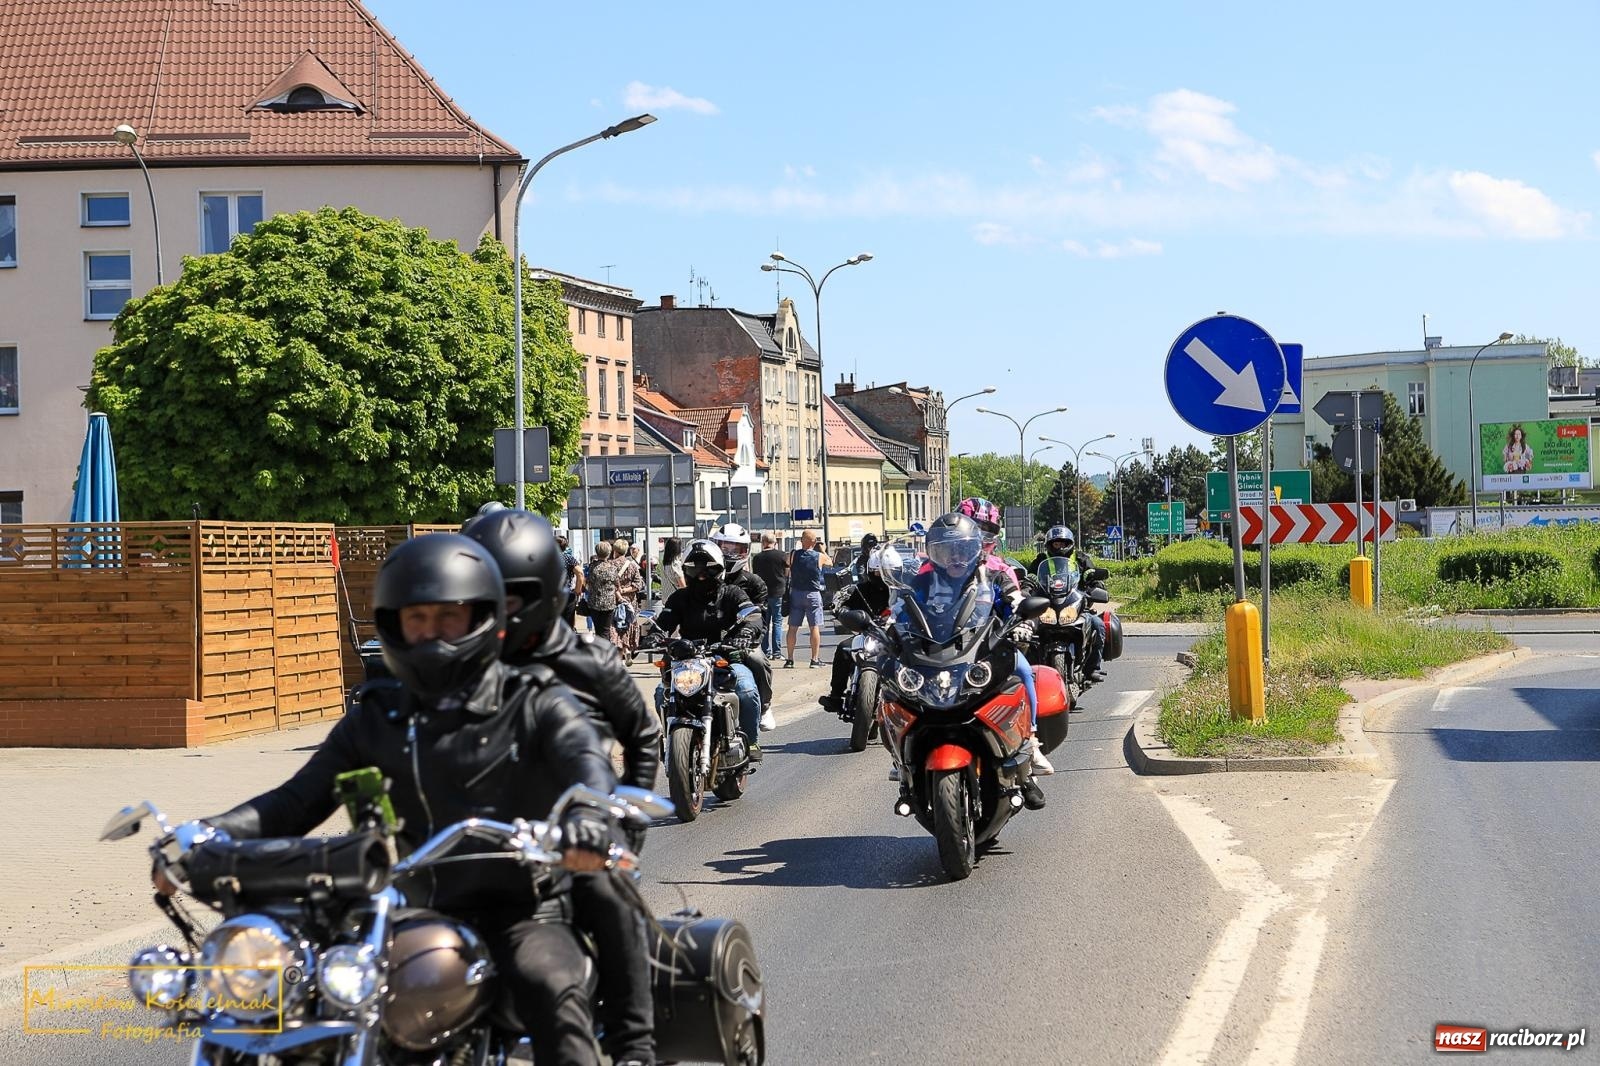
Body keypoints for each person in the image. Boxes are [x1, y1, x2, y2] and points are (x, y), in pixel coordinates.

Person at [193, 534, 621, 1066]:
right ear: (393, 625)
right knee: (296, 1003)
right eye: (416, 620)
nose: (431, 635)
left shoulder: (535, 703)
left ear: (484, 619)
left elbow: (589, 767)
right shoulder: (376, 717)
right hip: (405, 911)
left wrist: (587, 818)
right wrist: (206, 833)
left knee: (550, 989)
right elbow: (292, 802)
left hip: (523, 908)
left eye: (448, 618)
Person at [464, 510, 661, 1066]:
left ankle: (633, 1046)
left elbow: (643, 737)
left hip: (576, 828)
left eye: (509, 596)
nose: (496, 610)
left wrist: (624, 823)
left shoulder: (589, 659)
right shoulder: (468, 660)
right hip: (487, 829)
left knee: (605, 893)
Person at [956, 497, 1052, 777]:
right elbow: (914, 597)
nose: (979, 536)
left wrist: (1024, 621)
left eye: (986, 530)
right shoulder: (936, 567)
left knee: (1022, 670)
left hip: (988, 644)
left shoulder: (999, 569)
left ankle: (1031, 741)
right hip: (943, 646)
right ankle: (903, 751)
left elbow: (1015, 598)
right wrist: (896, 621)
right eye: (973, 528)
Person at [652, 540, 766, 761]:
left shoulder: (732, 594)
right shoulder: (680, 597)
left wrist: (745, 634)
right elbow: (664, 621)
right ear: (686, 569)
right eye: (694, 568)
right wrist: (653, 634)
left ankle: (751, 742)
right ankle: (672, 738)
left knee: (747, 690)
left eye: (708, 568)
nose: (701, 575)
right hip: (688, 661)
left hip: (725, 658)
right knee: (660, 693)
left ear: (720, 570)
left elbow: (751, 616)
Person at [819, 543, 897, 718]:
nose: (883, 577)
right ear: (871, 570)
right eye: (878, 572)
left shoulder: (902, 591)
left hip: (895, 637)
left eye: (888, 572)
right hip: (868, 634)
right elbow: (844, 602)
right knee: (844, 650)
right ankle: (836, 696)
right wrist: (841, 610)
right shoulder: (861, 590)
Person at [711, 523, 775, 730]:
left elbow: (759, 617)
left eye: (734, 549)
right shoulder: (705, 577)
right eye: (724, 547)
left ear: (745, 551)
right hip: (708, 639)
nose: (728, 553)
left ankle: (765, 706)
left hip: (743, 640)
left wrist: (747, 636)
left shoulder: (754, 583)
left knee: (758, 660)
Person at [1029, 525, 1107, 684]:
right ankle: (1030, 670)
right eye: (1056, 544)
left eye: (1063, 543)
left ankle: (1092, 668)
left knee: (1098, 625)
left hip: (1075, 605)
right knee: (1027, 630)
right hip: (1047, 606)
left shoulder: (1081, 559)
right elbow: (1030, 577)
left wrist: (1096, 586)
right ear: (1050, 545)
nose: (1060, 547)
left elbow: (1092, 576)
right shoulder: (1041, 561)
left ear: (1070, 543)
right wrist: (1026, 588)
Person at [784, 529, 832, 668]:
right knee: (814, 627)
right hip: (812, 594)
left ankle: (790, 659)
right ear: (815, 542)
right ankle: (814, 659)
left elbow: (787, 564)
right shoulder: (819, 556)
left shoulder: (793, 554)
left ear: (801, 540)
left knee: (792, 628)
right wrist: (822, 549)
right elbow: (830, 562)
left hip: (796, 593)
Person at [751, 532, 789, 658]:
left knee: (764, 623)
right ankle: (777, 652)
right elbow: (787, 572)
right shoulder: (782, 556)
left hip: (762, 594)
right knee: (777, 622)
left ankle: (765, 651)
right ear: (775, 543)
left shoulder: (757, 558)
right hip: (778, 592)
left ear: (763, 543)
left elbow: (755, 575)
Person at [557, 531, 586, 629]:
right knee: (568, 624)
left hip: (551, 595)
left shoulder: (547, 558)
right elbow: (580, 573)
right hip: (567, 594)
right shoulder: (569, 558)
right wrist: (577, 590)